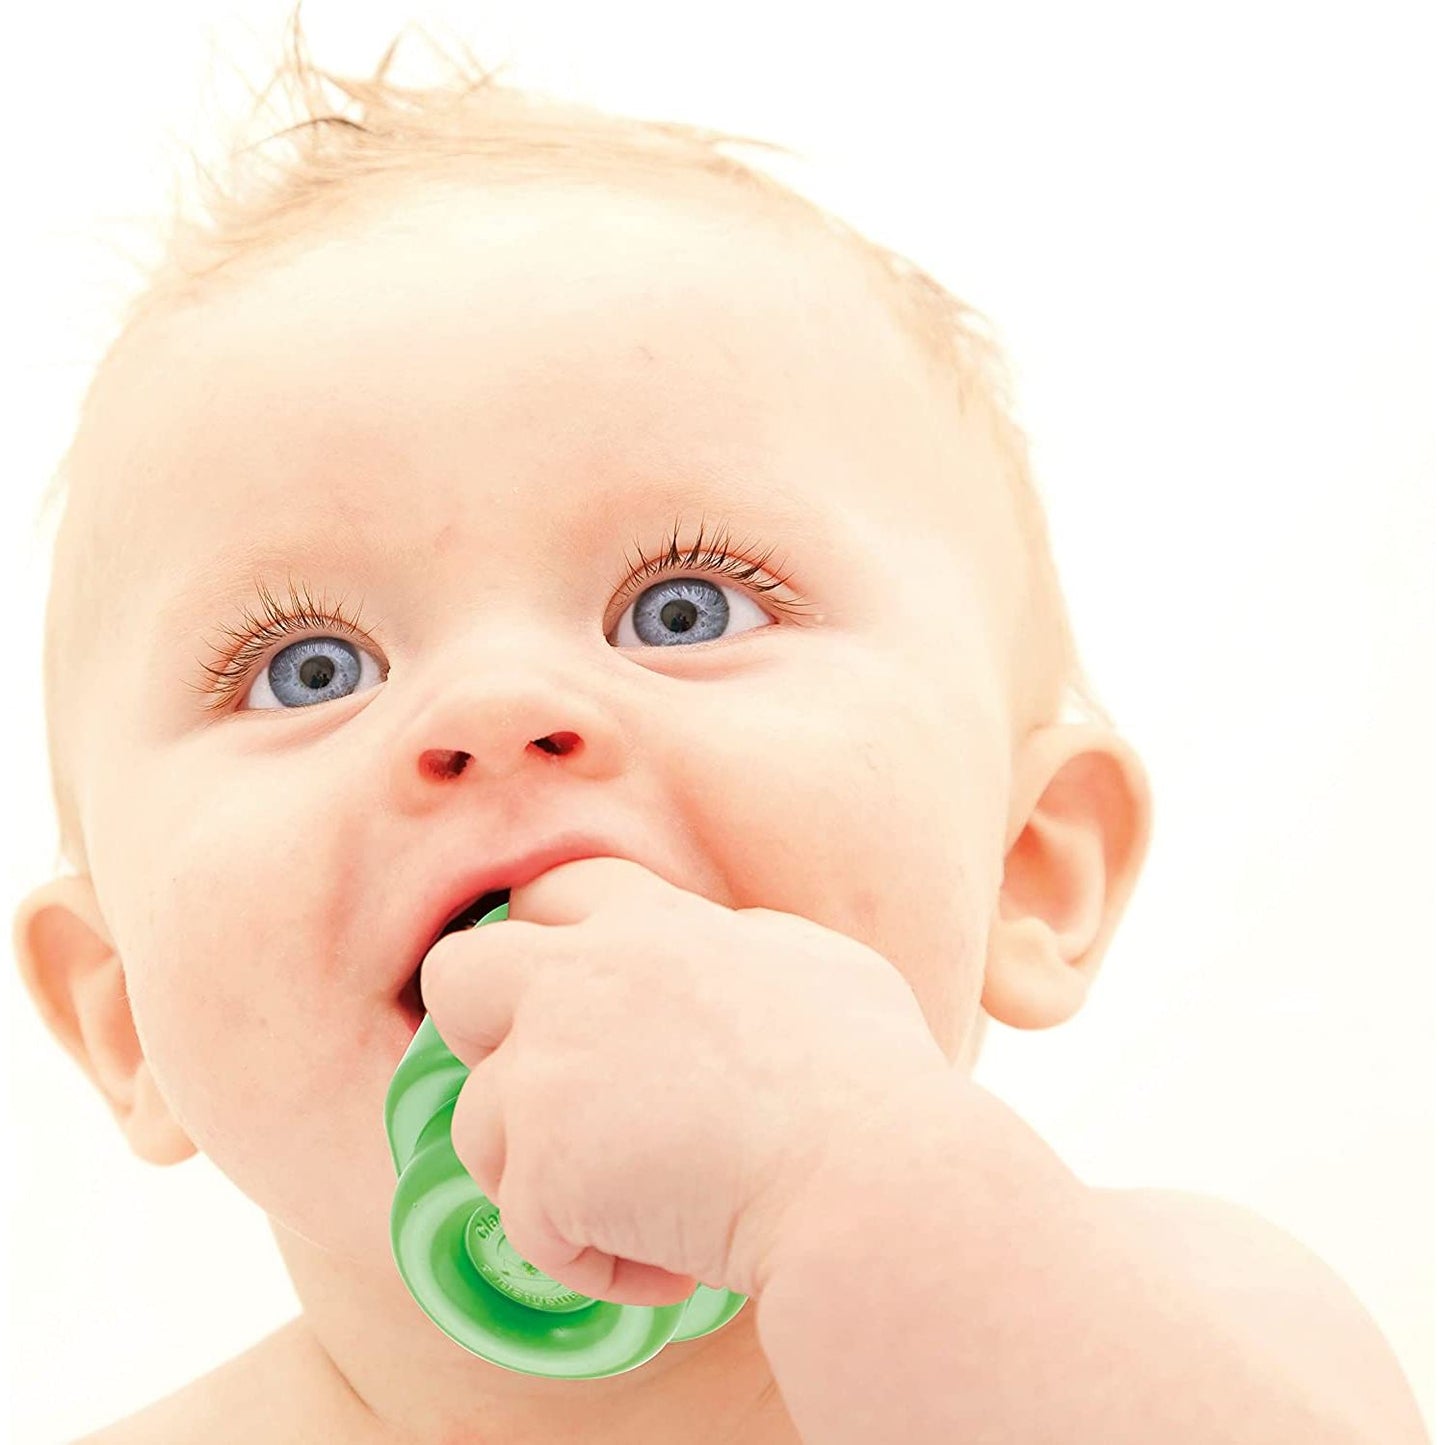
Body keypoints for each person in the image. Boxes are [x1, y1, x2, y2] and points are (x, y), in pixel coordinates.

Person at [10, 8, 1429, 1443]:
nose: (497, 712)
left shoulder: (1192, 1329)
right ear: (121, 1016)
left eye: (683, 608)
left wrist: (846, 1171)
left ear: (1028, 868)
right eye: (307, 668)